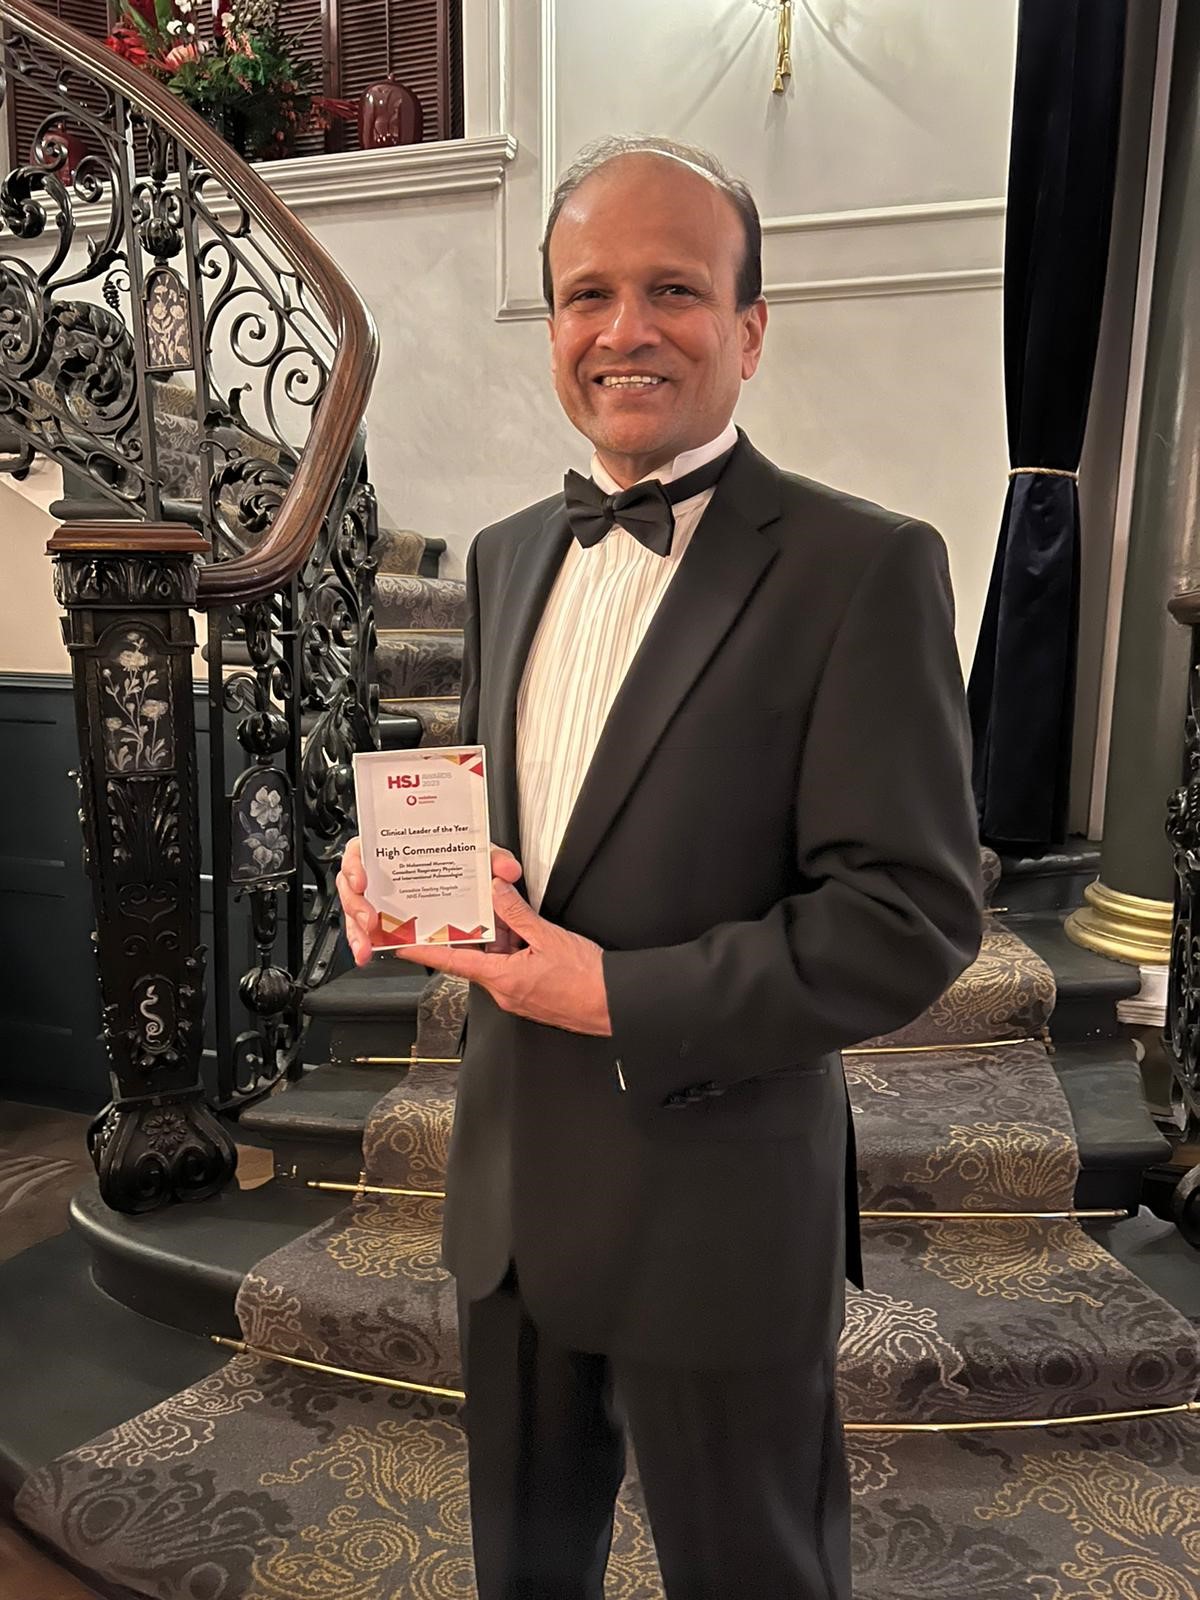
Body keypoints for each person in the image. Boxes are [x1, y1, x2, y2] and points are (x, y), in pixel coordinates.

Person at [336, 136, 983, 1600]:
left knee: (752, 1572)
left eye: (674, 289)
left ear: (749, 329)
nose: (624, 329)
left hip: (718, 1203)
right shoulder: (507, 554)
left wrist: (618, 993)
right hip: (508, 1201)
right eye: (587, 293)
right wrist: (399, 878)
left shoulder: (860, 568)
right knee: (527, 1570)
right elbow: (525, 819)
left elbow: (912, 914)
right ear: (553, 325)